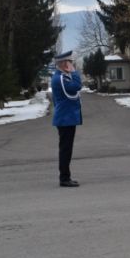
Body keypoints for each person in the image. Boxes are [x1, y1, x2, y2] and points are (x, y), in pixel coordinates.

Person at [51, 51, 83, 187]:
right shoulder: (60, 79)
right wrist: (74, 72)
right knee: (65, 149)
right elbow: (76, 87)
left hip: (66, 118)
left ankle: (65, 176)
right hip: (65, 119)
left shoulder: (63, 77)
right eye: (69, 62)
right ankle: (64, 178)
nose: (71, 64)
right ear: (64, 64)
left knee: (66, 149)